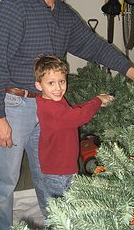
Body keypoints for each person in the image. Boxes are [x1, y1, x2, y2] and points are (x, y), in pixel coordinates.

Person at [0, 0, 134, 230]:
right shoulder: (14, 7)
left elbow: (94, 46)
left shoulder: (64, 15)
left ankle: (59, 225)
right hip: (13, 106)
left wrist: (131, 72)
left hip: (48, 107)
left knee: (50, 176)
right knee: (3, 182)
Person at [34, 54, 114, 202]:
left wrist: (95, 102)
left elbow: (72, 111)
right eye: (51, 83)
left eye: (62, 81)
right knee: (60, 215)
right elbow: (79, 116)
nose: (58, 88)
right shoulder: (49, 107)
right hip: (57, 173)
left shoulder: (53, 100)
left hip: (67, 168)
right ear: (39, 85)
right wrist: (97, 101)